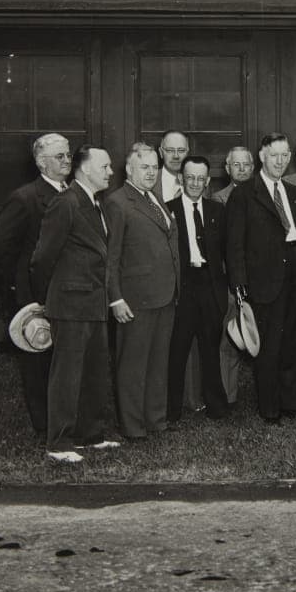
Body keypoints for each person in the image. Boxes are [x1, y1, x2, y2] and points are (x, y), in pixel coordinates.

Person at [30, 144, 119, 463]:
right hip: (70, 303)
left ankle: (89, 435)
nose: (110, 172)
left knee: (94, 372)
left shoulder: (95, 202)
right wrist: (45, 299)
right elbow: (43, 257)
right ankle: (59, 443)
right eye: (105, 166)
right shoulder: (65, 203)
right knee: (67, 374)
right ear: (86, 170)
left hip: (93, 302)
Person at [226, 133, 296, 424]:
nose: (280, 161)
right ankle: (270, 408)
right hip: (264, 279)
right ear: (261, 156)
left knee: (295, 342)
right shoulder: (244, 194)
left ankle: (292, 403)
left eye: (285, 155)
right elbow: (234, 243)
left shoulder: (294, 193)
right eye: (274, 155)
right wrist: (240, 285)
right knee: (270, 345)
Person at [0, 132, 71, 436]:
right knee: (39, 361)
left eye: (68, 155)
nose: (67, 161)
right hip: (36, 295)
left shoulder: (72, 193)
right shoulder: (25, 198)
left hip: (66, 291)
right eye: (59, 157)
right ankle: (45, 425)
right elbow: (2, 249)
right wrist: (20, 293)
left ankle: (65, 419)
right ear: (41, 162)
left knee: (64, 359)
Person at [105, 143, 180, 440]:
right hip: (136, 299)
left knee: (158, 363)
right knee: (133, 366)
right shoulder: (118, 202)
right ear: (129, 170)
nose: (151, 173)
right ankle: (133, 427)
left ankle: (156, 421)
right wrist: (116, 297)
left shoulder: (154, 199)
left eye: (154, 167)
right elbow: (111, 256)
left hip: (164, 295)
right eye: (144, 168)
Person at [166, 156, 229, 421]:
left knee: (210, 349)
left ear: (208, 182)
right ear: (181, 178)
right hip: (183, 286)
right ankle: (171, 411)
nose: (194, 183)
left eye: (200, 179)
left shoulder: (217, 211)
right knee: (177, 350)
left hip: (210, 286)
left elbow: (226, 251)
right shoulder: (167, 209)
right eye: (189, 177)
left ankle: (217, 406)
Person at [211, 145, 255, 406]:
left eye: (246, 165)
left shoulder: (263, 195)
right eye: (235, 165)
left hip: (260, 278)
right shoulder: (218, 199)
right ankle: (227, 395)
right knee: (230, 336)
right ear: (227, 169)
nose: (241, 169)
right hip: (231, 279)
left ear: (253, 167)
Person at [155, 130, 189, 202]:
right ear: (161, 153)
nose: (176, 156)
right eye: (170, 150)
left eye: (181, 150)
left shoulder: (199, 181)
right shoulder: (150, 180)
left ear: (187, 153)